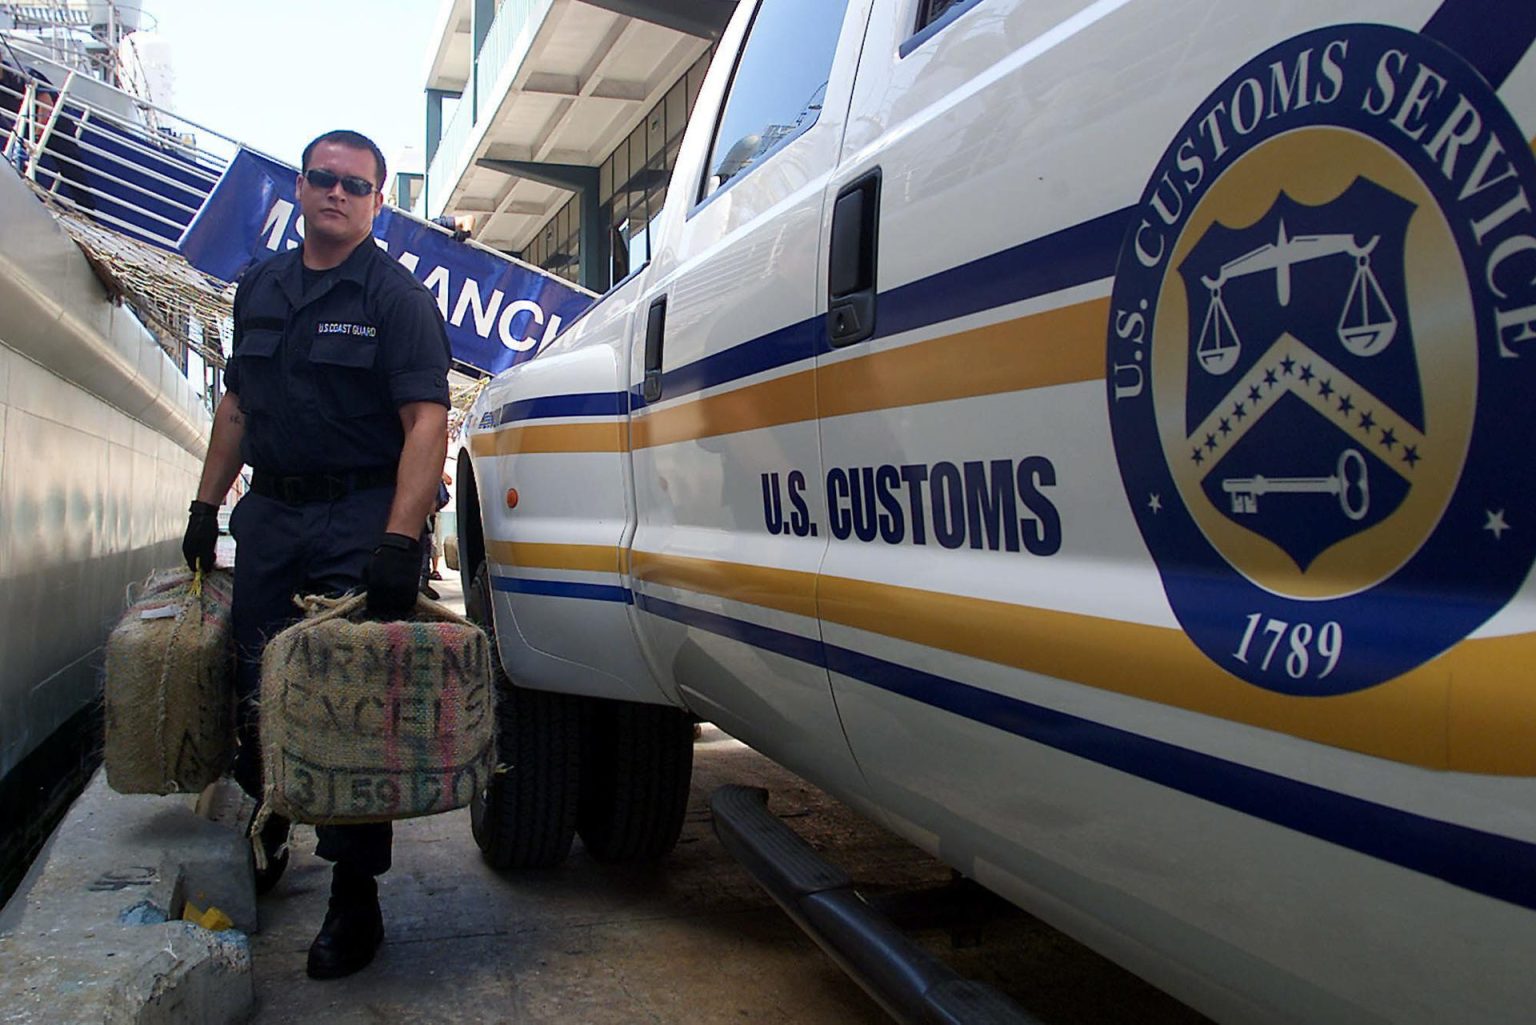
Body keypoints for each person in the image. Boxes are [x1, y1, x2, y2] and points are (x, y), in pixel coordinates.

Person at [181, 129, 450, 981]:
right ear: (299, 189)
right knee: (258, 689)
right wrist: (202, 505)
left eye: (356, 185)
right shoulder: (258, 288)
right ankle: (268, 831)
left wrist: (400, 544)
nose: (336, 193)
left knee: (350, 711)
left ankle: (353, 894)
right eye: (322, 178)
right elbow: (235, 407)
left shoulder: (396, 297)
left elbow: (426, 425)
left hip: (357, 518)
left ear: (376, 202)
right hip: (271, 520)